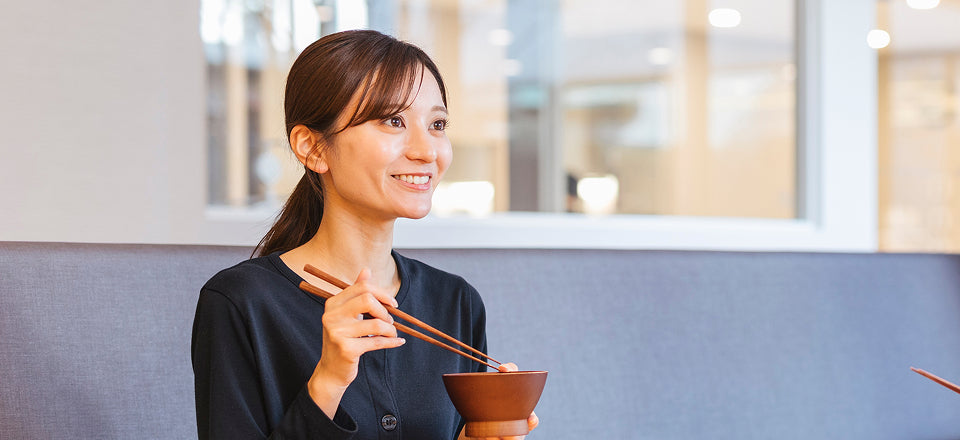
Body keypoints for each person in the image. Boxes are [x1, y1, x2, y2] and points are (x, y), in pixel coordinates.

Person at [191, 30, 538, 440]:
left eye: (437, 124)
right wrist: (328, 382)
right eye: (393, 121)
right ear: (312, 148)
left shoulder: (455, 302)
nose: (427, 151)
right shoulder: (241, 303)